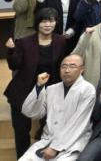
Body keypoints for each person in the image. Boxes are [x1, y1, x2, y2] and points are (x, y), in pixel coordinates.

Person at [5, 8, 66, 158]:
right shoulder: (24, 42)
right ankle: (22, 157)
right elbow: (14, 65)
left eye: (51, 21)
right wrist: (11, 50)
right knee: (21, 130)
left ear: (56, 22)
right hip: (23, 90)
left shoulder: (61, 41)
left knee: (50, 128)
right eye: (44, 21)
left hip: (50, 92)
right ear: (37, 23)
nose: (47, 25)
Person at [19, 54, 95, 161]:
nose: (67, 70)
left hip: (73, 142)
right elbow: (32, 112)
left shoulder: (87, 90)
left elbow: (78, 122)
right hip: (48, 140)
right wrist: (39, 87)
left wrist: (55, 147)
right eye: (63, 66)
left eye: (72, 66)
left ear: (82, 69)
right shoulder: (52, 89)